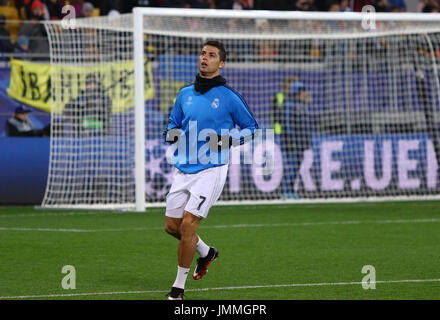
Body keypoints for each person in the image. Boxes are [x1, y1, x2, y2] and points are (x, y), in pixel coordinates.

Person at [163, 40, 258, 300]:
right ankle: (206, 253)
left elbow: (251, 128)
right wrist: (170, 134)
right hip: (184, 168)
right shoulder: (184, 94)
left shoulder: (229, 97)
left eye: (211, 55)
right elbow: (173, 123)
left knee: (189, 223)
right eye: (202, 53)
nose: (204, 58)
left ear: (221, 63)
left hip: (212, 169)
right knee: (172, 227)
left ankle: (177, 290)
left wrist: (227, 141)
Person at [282, 80, 313, 198]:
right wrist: (292, 139)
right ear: (298, 92)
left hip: (301, 141)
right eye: (303, 91)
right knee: (293, 165)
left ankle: (291, 190)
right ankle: (287, 190)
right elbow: (288, 123)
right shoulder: (290, 105)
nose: (305, 93)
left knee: (298, 165)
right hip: (293, 142)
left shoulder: (302, 105)